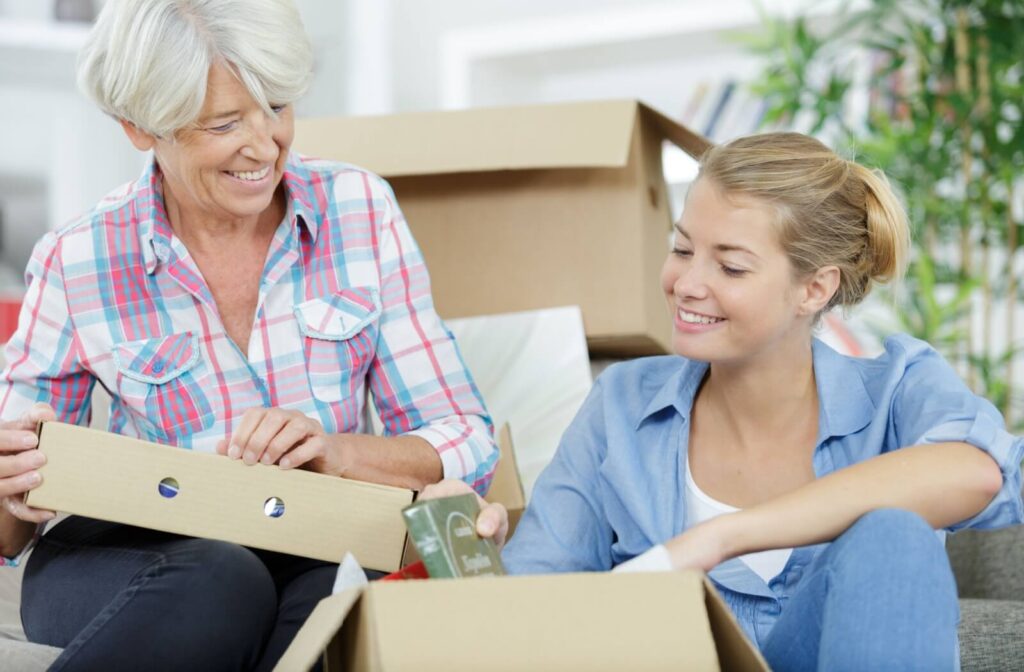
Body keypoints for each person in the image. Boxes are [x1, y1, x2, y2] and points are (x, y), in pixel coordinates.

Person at [0, 1, 496, 669]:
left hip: (315, 537)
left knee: (337, 602)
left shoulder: (359, 210)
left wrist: (338, 454)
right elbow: (10, 526)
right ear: (140, 127)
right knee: (221, 578)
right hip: (132, 554)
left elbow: (464, 436)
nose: (264, 145)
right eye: (226, 122)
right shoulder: (77, 258)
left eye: (278, 106)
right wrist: (8, 480)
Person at [425, 132, 1024, 670]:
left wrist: (720, 537)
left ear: (815, 288)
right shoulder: (623, 405)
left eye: (731, 267)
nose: (687, 283)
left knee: (893, 537)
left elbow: (977, 473)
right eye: (683, 249)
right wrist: (477, 558)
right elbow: (536, 606)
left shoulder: (898, 387)